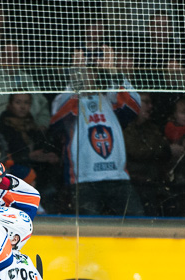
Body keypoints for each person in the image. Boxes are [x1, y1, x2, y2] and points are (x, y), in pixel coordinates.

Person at [50, 45, 145, 217]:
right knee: (88, 232)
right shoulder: (66, 99)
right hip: (85, 180)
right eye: (81, 70)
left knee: (137, 225)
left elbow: (135, 105)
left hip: (118, 177)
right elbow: (58, 117)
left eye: (90, 70)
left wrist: (114, 73)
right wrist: (75, 83)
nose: (86, 74)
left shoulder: (110, 98)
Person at [123, 92, 171, 216]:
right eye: (146, 102)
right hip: (135, 185)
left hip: (153, 184)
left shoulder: (152, 128)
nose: (150, 107)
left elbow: (164, 150)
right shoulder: (125, 128)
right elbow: (137, 151)